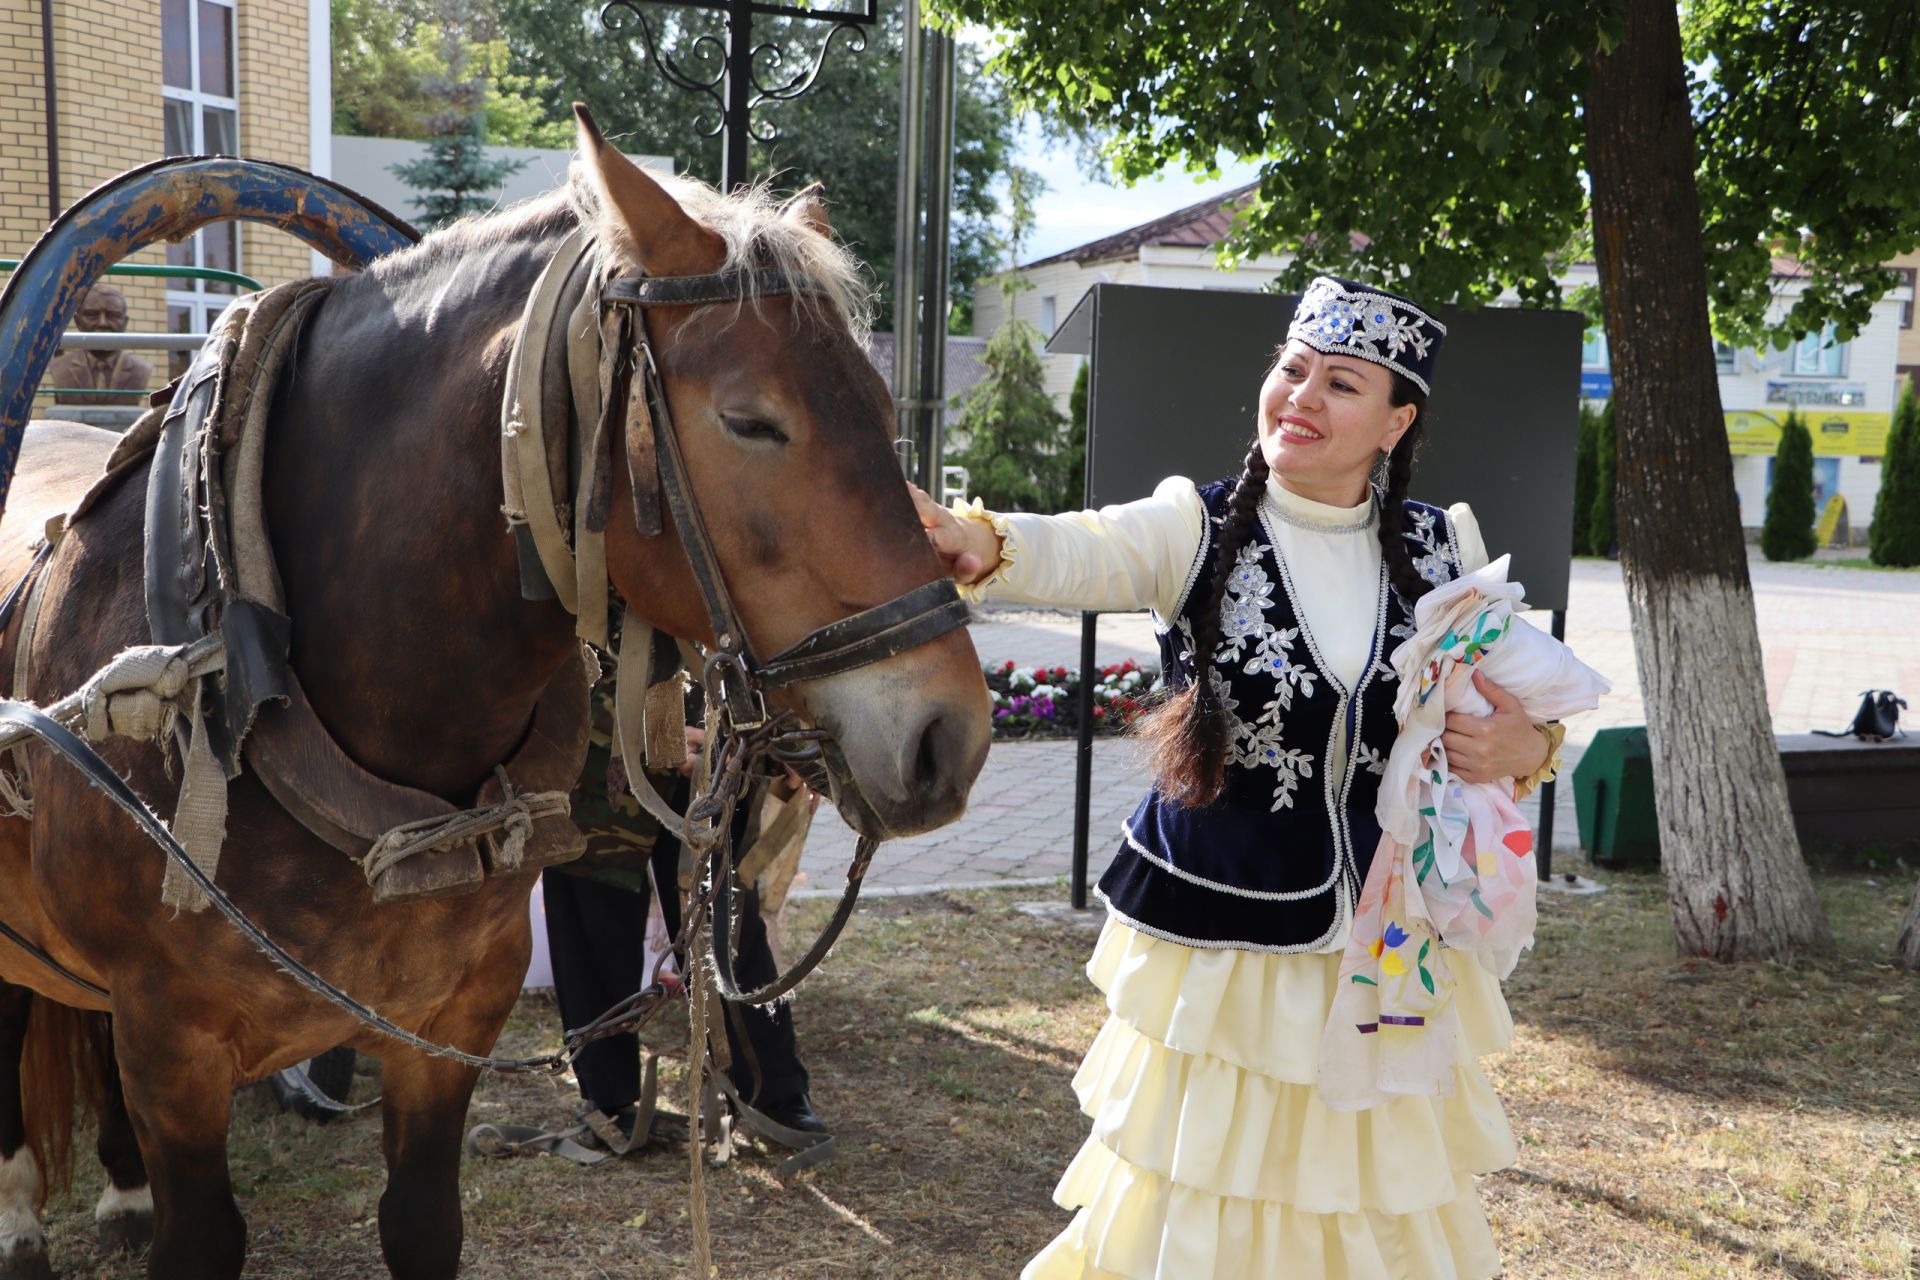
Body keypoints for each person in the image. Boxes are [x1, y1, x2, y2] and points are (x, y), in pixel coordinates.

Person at [915, 277, 1582, 1280]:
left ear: (1397, 421)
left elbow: (1530, 697)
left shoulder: (1446, 548)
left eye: (1341, 383)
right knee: (1206, 1198)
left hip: (1390, 933)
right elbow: (1081, 548)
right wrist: (979, 541)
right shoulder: (1194, 525)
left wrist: (1528, 749)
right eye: (1292, 368)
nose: (1301, 395)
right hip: (1223, 948)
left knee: (1369, 1195)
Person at [542, 679, 827, 1154]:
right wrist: (654, 730)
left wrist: (794, 733)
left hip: (714, 730)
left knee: (727, 921)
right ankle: (607, 1099)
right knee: (592, 916)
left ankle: (774, 1093)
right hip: (598, 745)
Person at [44, 284, 154, 405]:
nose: (102, 323)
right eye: (92, 315)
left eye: (113, 316)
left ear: (125, 322)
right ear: (77, 321)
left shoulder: (141, 369)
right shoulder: (60, 368)